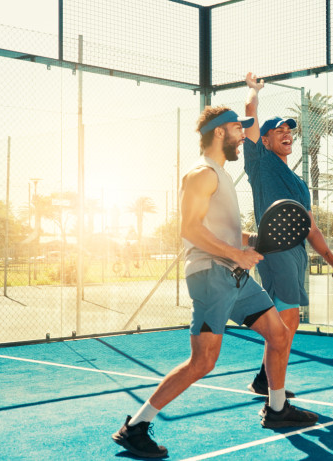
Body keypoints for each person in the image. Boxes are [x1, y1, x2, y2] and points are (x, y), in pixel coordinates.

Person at [112, 106, 318, 459]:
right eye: (239, 129)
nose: (243, 136)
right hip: (211, 275)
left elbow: (222, 232)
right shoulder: (202, 174)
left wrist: (252, 241)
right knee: (203, 361)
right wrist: (237, 254)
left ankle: (277, 409)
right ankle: (135, 427)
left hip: (236, 276)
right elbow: (190, 229)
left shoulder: (220, 175)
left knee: (280, 334)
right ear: (220, 132)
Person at [243, 73, 333, 398]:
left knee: (288, 321)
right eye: (278, 131)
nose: (286, 133)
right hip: (275, 252)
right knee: (286, 318)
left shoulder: (299, 183)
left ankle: (265, 378)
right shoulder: (259, 163)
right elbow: (249, 115)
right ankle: (273, 393)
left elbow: (312, 229)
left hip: (296, 255)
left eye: (289, 130)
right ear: (265, 140)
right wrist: (253, 92)